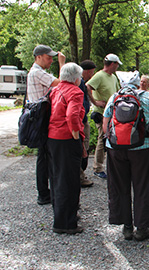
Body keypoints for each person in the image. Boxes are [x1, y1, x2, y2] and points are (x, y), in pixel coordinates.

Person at [102, 72, 149, 241]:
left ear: (121, 83)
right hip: (142, 148)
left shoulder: (114, 97)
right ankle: (142, 228)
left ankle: (126, 227)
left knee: (119, 185)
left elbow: (106, 125)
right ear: (137, 83)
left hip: (115, 148)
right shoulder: (148, 98)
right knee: (143, 186)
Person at [47, 63, 85, 234]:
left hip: (52, 138)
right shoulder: (75, 92)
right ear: (76, 78)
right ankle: (66, 223)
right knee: (69, 181)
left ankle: (61, 214)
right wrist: (76, 136)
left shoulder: (55, 89)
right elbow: (72, 115)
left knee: (57, 178)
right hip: (67, 138)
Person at [27, 45, 66, 205]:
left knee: (43, 156)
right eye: (48, 57)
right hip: (42, 120)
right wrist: (62, 64)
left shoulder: (36, 72)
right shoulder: (37, 73)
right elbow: (64, 84)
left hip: (39, 119)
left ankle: (44, 192)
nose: (51, 60)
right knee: (44, 157)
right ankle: (43, 194)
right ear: (39, 57)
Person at [86, 54, 121, 179]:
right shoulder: (99, 76)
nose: (117, 67)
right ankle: (98, 167)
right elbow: (87, 87)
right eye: (117, 64)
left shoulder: (113, 77)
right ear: (112, 64)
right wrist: (95, 102)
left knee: (111, 138)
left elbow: (118, 91)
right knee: (103, 138)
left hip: (112, 113)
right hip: (101, 113)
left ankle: (110, 165)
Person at [78, 60, 97, 188]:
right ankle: (79, 177)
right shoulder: (78, 83)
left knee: (84, 147)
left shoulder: (83, 83)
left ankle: (81, 174)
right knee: (82, 148)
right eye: (92, 71)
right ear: (88, 71)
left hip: (83, 119)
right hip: (80, 121)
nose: (93, 74)